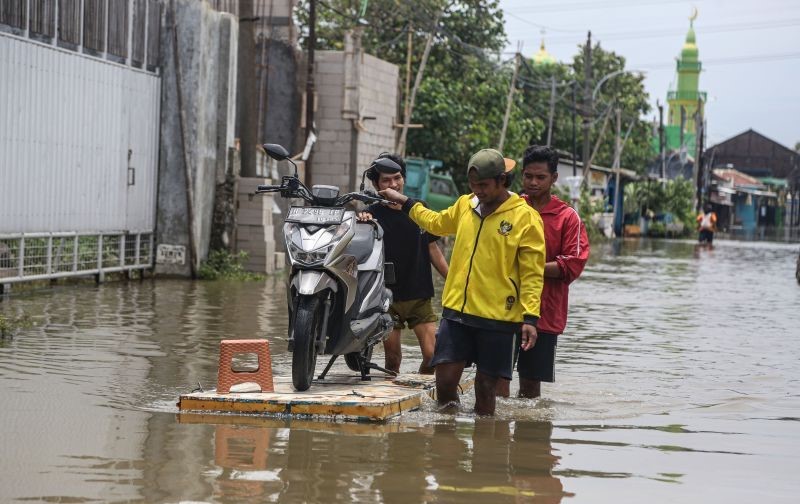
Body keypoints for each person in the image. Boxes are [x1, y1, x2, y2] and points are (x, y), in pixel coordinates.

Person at [379, 148, 546, 416]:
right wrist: (406, 202)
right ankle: (447, 445)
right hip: (457, 314)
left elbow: (532, 274)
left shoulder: (525, 218)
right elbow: (435, 222)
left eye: (483, 185)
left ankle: (485, 448)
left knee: (485, 388)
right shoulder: (465, 206)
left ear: (502, 181)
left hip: (498, 318)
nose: (477, 190)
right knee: (444, 383)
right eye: (472, 184)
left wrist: (530, 318)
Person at [497, 145, 590, 399]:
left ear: (554, 179)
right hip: (502, 309)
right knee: (494, 381)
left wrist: (525, 266)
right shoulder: (509, 207)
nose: (533, 183)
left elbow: (572, 264)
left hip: (544, 314)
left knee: (529, 387)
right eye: (528, 176)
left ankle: (530, 439)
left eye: (541, 177)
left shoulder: (568, 217)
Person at [358, 153, 449, 374]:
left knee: (432, 356)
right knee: (393, 360)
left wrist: (454, 279)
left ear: (404, 179)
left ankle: (419, 393)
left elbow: (432, 248)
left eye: (397, 178)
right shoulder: (370, 214)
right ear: (377, 185)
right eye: (386, 180)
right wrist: (363, 224)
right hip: (387, 298)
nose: (393, 184)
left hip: (419, 295)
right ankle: (394, 400)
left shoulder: (419, 209)